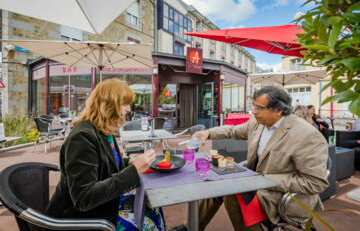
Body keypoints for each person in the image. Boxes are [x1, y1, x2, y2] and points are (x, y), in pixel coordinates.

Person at [174, 86, 329, 231]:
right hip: (255, 184)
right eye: (253, 106)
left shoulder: (306, 135)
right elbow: (234, 131)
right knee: (218, 181)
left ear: (279, 110)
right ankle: (190, 227)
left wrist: (262, 179)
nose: (253, 111)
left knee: (232, 192)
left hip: (281, 196)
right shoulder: (258, 122)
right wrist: (208, 133)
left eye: (259, 108)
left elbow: (315, 183)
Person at [46, 79, 166, 231]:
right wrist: (133, 171)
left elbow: (103, 162)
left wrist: (129, 162)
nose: (129, 109)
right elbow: (84, 198)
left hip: (102, 208)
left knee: (154, 206)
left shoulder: (102, 131)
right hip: (81, 220)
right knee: (150, 220)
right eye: (124, 104)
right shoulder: (82, 137)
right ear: (109, 105)